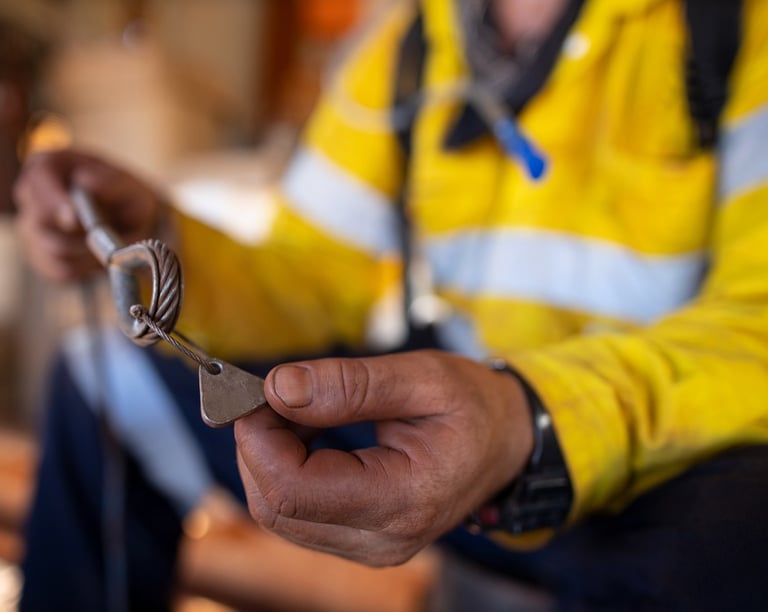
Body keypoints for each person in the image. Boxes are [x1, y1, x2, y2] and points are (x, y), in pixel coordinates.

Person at [13, 0, 768, 609]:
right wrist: (159, 235)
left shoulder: (737, 35)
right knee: (99, 378)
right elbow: (307, 276)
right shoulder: (407, 52)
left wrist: (532, 419)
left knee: (735, 544)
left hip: (640, 481)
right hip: (438, 448)